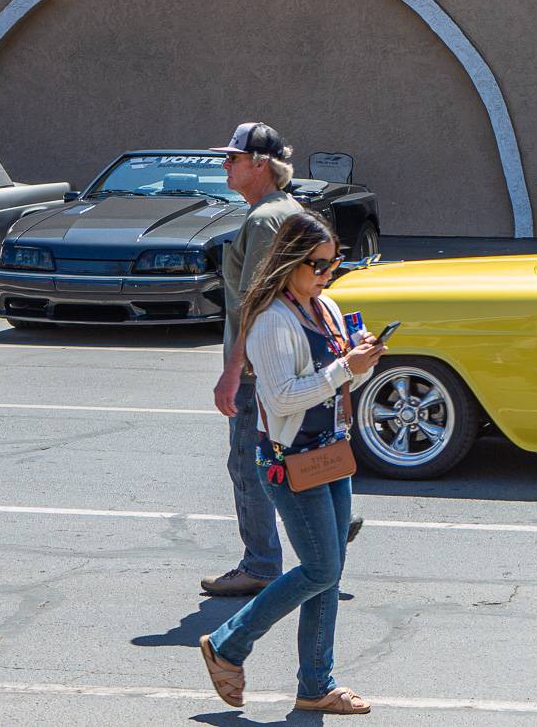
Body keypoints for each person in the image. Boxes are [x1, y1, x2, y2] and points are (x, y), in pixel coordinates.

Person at [200, 212, 384, 715]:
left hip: (331, 451)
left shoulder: (327, 307)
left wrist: (362, 363)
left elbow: (343, 383)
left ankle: (316, 685)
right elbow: (282, 398)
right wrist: (345, 367)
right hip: (290, 459)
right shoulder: (271, 320)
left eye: (333, 262)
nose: (327, 273)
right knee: (321, 568)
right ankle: (228, 642)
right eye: (317, 265)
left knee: (329, 572)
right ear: (289, 262)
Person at [206, 122, 306, 597]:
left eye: (233, 158)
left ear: (260, 164)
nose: (225, 166)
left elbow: (255, 300)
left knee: (248, 465)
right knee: (292, 455)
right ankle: (328, 532)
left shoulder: (266, 219)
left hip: (259, 366)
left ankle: (261, 564)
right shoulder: (289, 210)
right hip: (288, 357)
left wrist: (233, 371)